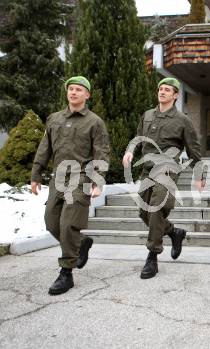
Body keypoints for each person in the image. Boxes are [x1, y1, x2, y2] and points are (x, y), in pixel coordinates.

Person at [31, 76, 110, 295]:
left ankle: (66, 273)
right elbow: (44, 148)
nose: (73, 92)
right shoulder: (54, 119)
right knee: (51, 222)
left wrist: (98, 180)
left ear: (87, 95)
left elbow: (101, 152)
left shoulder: (94, 122)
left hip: (81, 179)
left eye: (78, 89)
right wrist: (36, 174)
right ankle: (81, 243)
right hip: (58, 179)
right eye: (70, 89)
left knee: (67, 225)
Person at [122, 77, 204, 280]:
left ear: (175, 95)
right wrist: (130, 151)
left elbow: (194, 149)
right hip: (146, 172)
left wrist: (199, 175)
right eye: (161, 89)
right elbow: (138, 138)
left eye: (168, 90)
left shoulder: (183, 120)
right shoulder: (148, 115)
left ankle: (152, 257)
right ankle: (174, 232)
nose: (162, 92)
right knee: (144, 214)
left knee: (157, 209)